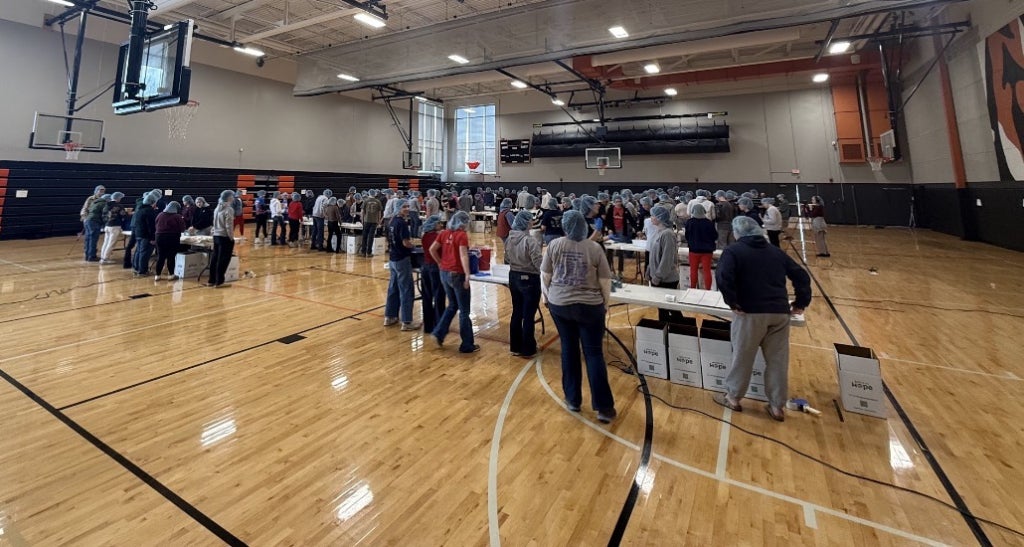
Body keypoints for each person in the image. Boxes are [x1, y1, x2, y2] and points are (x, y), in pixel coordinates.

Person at [713, 216, 812, 422]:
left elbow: (723, 277)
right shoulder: (775, 251)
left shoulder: (733, 251)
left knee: (742, 357)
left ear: (737, 232)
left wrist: (733, 302)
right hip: (779, 312)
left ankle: (733, 397)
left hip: (750, 313)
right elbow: (801, 276)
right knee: (777, 361)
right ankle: (777, 406)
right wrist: (801, 303)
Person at [541, 210, 616, 423]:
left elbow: (545, 275)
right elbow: (605, 280)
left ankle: (573, 399)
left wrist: (546, 296)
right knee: (593, 354)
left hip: (560, 304)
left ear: (565, 226)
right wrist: (605, 304)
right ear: (584, 226)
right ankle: (604, 407)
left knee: (569, 349)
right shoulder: (594, 248)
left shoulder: (555, 245)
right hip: (590, 307)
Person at [429, 211, 478, 353]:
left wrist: (440, 262)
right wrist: (467, 274)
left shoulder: (444, 233)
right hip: (457, 274)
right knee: (464, 311)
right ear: (462, 223)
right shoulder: (461, 235)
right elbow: (463, 255)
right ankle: (467, 344)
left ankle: (439, 332)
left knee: (452, 305)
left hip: (444, 273)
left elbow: (433, 249)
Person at [505, 210, 543, 358]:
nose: (532, 222)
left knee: (517, 312)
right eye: (530, 220)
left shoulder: (509, 238)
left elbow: (507, 257)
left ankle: (515, 346)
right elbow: (538, 262)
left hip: (513, 276)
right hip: (529, 278)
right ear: (526, 223)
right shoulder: (529, 240)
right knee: (528, 315)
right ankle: (528, 348)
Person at [384, 199, 421, 331]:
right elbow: (406, 243)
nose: (406, 209)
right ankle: (407, 321)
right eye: (404, 207)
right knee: (406, 289)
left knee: (393, 288)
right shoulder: (402, 223)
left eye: (407, 206)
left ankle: (390, 316)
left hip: (392, 258)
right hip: (402, 259)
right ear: (398, 208)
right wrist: (415, 247)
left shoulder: (391, 221)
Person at [646, 205, 684, 323]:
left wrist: (657, 276)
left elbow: (667, 259)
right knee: (662, 309)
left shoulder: (667, 234)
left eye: (653, 216)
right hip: (658, 277)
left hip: (667, 280)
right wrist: (649, 270)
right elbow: (653, 255)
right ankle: (665, 334)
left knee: (671, 309)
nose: (651, 218)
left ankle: (680, 332)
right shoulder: (658, 232)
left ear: (659, 218)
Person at [419, 215, 446, 334]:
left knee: (427, 297)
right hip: (435, 268)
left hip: (425, 267)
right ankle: (440, 325)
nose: (441, 225)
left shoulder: (424, 236)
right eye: (439, 223)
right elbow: (436, 250)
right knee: (439, 297)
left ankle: (428, 326)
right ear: (434, 225)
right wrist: (440, 262)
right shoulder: (438, 237)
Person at [684, 203, 718, 290]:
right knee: (707, 270)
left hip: (693, 250)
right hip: (707, 251)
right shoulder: (709, 223)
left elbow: (687, 236)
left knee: (693, 270)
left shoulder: (689, 222)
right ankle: (708, 290)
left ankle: (692, 288)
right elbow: (715, 236)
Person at [209, 190, 237, 287]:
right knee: (223, 259)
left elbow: (214, 222)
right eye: (232, 197)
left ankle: (211, 280)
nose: (233, 198)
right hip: (224, 236)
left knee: (215, 258)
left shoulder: (217, 207)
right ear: (229, 197)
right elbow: (228, 225)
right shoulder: (229, 209)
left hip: (216, 235)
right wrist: (231, 237)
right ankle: (219, 281)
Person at [154, 201, 186, 281]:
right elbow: (182, 229)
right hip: (172, 237)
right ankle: (171, 275)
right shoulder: (177, 216)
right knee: (171, 257)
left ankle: (157, 275)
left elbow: (156, 224)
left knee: (161, 257)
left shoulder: (160, 214)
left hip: (159, 237)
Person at [132, 192, 159, 276]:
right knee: (145, 253)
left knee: (139, 252)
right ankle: (143, 271)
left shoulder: (139, 210)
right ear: (153, 202)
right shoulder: (150, 212)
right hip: (146, 236)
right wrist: (153, 238)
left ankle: (136, 268)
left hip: (139, 234)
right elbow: (151, 226)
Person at [99, 192, 127, 264]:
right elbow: (123, 215)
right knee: (111, 243)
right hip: (115, 226)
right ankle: (105, 259)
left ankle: (102, 256)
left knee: (106, 242)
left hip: (107, 225)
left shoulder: (106, 205)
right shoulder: (119, 206)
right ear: (118, 198)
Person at [81, 185, 106, 262]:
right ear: (96, 191)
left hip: (95, 220)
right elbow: (85, 208)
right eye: (100, 190)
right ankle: (90, 255)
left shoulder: (104, 199)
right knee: (90, 238)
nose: (102, 192)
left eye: (103, 190)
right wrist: (84, 218)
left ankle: (90, 255)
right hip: (90, 220)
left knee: (91, 238)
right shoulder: (90, 198)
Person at [360, 190, 383, 257]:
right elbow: (379, 212)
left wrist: (362, 220)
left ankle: (363, 252)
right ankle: (369, 252)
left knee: (364, 236)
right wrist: (379, 221)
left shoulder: (366, 201)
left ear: (369, 193)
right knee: (371, 237)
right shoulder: (378, 201)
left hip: (366, 221)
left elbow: (362, 211)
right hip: (374, 221)